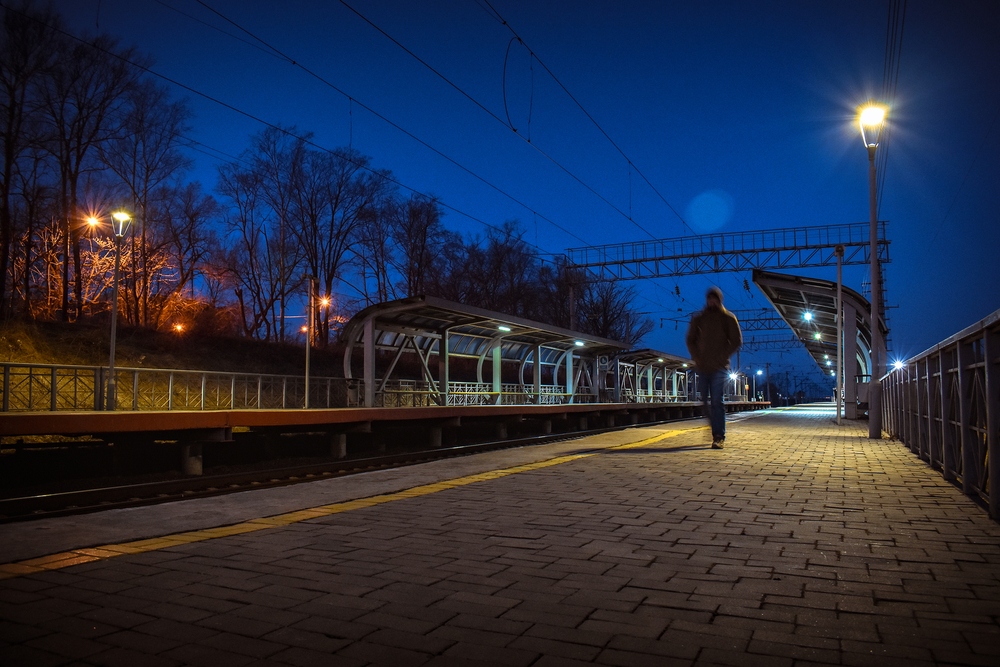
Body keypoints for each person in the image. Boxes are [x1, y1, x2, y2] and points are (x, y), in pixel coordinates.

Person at [685, 287, 742, 448]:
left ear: (719, 300)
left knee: (717, 401)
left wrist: (722, 357)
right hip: (702, 366)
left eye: (714, 299)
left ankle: (719, 436)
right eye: (709, 299)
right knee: (704, 400)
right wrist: (697, 357)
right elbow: (690, 340)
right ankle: (715, 430)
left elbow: (736, 340)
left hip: (720, 367)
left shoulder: (728, 319)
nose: (712, 302)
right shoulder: (699, 319)